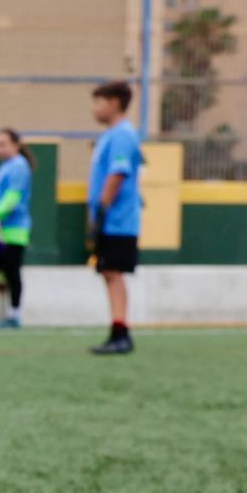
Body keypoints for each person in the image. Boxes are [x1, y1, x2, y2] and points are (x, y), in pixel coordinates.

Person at [88, 80, 143, 355]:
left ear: (114, 103)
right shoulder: (112, 135)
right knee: (110, 273)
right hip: (112, 219)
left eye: (98, 102)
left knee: (113, 273)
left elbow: (118, 173)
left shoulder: (122, 134)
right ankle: (118, 330)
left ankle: (121, 332)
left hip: (117, 219)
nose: (94, 109)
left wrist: (101, 210)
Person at [0, 128, 34, 329]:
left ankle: (14, 315)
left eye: (3, 144)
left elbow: (12, 199)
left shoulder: (19, 166)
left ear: (16, 145)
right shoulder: (5, 167)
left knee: (12, 273)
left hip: (14, 232)